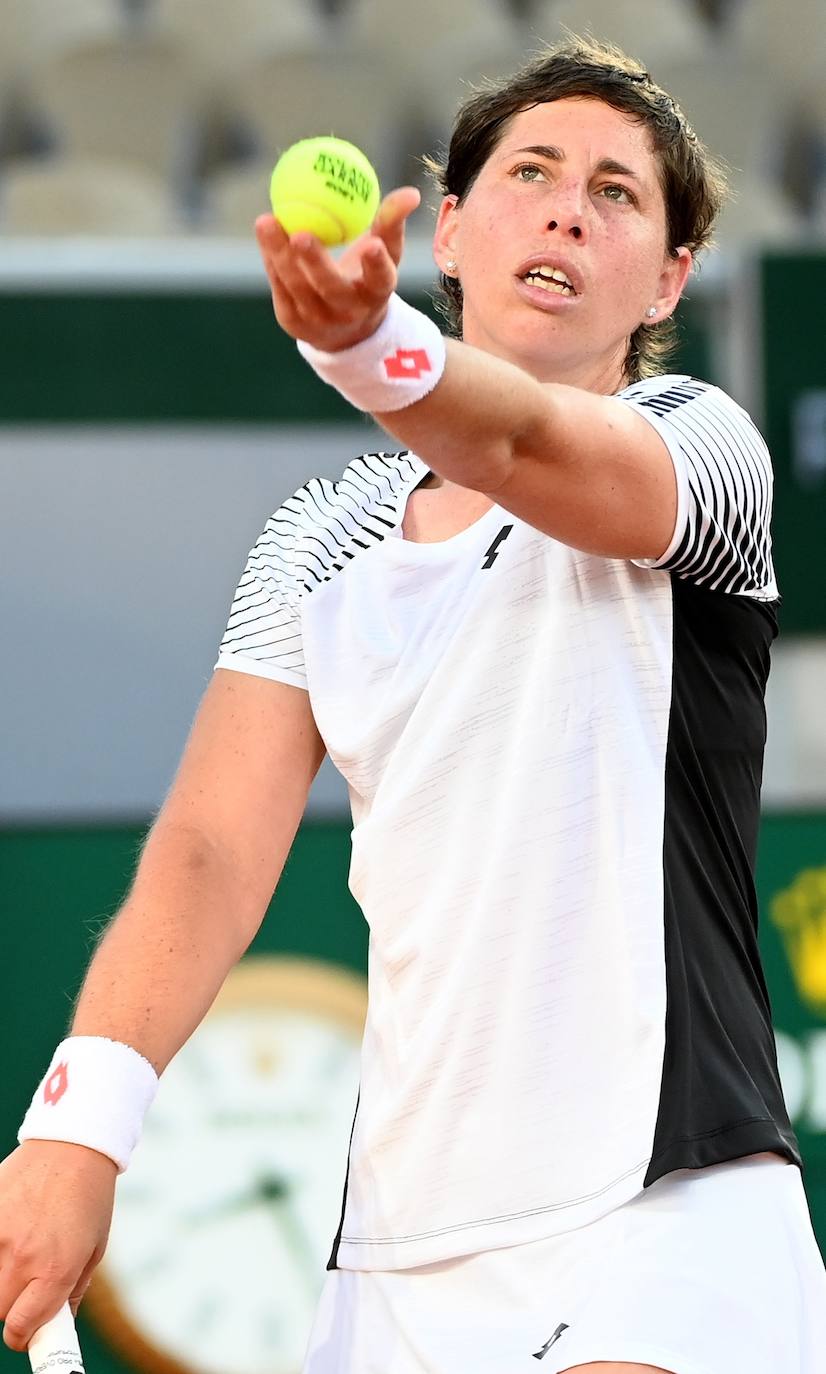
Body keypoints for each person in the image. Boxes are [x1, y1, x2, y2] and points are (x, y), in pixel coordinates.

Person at [2, 34, 825, 1374]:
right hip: (398, 1258)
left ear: (668, 275)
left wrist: (367, 346)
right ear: (450, 225)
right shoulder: (316, 544)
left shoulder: (700, 450)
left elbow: (518, 441)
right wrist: (78, 1124)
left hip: (665, 1208)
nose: (568, 204)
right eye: (532, 170)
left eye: (618, 193)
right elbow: (210, 852)